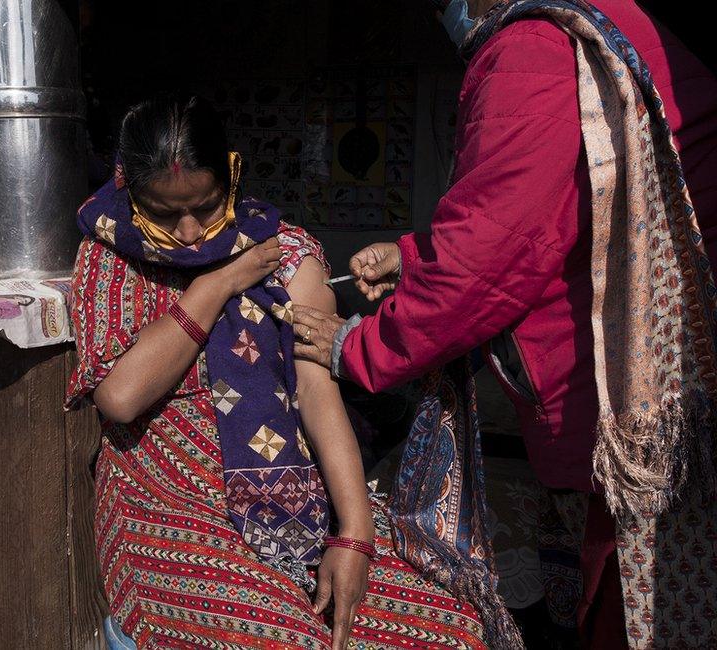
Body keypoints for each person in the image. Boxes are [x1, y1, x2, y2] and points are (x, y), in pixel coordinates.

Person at [293, 1, 717, 647]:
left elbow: (491, 253)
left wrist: (360, 346)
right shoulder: (612, 19)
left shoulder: (531, 50)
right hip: (679, 371)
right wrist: (413, 258)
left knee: (637, 609)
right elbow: (550, 204)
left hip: (632, 402)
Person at [67, 96, 487, 649]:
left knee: (448, 627)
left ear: (233, 176)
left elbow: (316, 392)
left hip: (296, 500)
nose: (190, 232)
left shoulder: (285, 252)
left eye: (208, 206)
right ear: (129, 192)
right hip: (168, 502)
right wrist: (217, 284)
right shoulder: (110, 258)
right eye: (165, 213)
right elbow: (119, 399)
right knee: (287, 640)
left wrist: (355, 535)